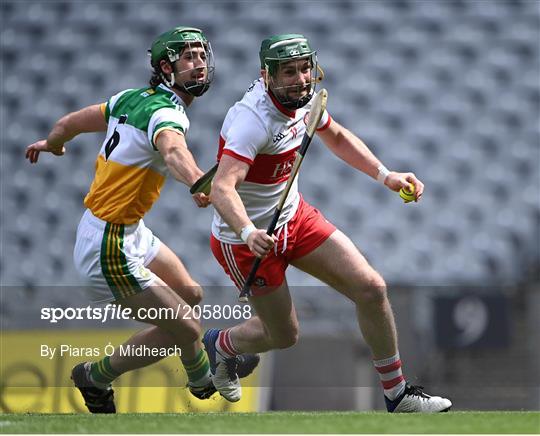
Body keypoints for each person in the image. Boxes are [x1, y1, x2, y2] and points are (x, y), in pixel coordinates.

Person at [204, 33, 452, 413]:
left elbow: (334, 135)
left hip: (294, 217)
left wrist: (386, 176)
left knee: (371, 287)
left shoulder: (302, 102)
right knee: (284, 336)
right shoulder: (250, 120)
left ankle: (397, 395)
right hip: (245, 241)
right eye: (289, 72)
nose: (302, 79)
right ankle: (221, 345)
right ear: (266, 75)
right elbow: (222, 188)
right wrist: (248, 231)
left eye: (305, 68)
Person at [25, 26, 258, 413]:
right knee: (186, 329)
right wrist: (200, 184)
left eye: (202, 56)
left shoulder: (129, 99)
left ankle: (105, 376)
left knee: (191, 295)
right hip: (108, 246)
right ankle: (188, 379)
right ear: (165, 67)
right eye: (188, 58)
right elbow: (172, 152)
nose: (199, 64)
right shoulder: (167, 114)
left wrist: (53, 143)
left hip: (130, 231)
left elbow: (70, 123)